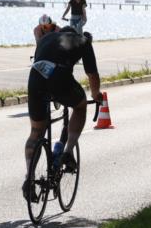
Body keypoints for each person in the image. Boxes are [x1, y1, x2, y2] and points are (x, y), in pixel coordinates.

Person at [23, 26, 103, 201]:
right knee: (80, 106)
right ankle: (68, 151)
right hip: (60, 77)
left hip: (35, 77)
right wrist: (96, 94)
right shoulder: (83, 41)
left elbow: (42, 61)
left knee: (36, 132)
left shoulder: (46, 38)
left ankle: (29, 176)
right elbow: (92, 74)